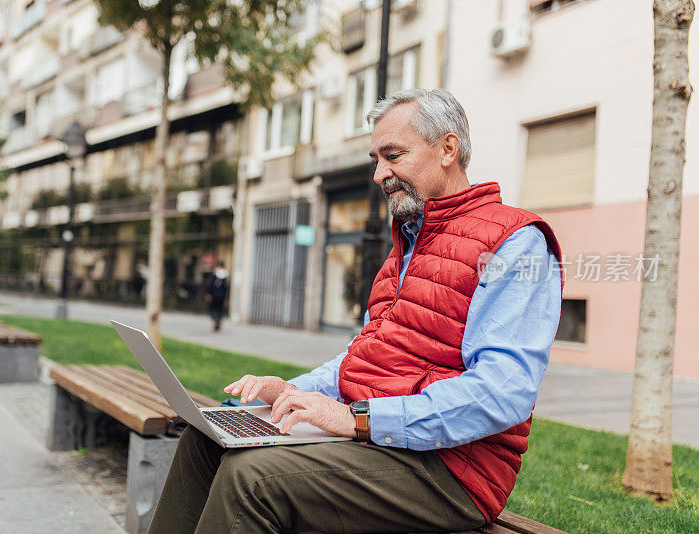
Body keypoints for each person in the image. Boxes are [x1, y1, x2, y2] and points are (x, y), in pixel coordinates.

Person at [147, 89, 563, 533]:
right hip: (380, 443)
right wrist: (287, 392)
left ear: (447, 149)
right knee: (204, 441)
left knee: (252, 479)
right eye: (376, 158)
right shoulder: (407, 244)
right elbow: (363, 359)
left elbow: (504, 392)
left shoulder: (517, 241)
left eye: (393, 155)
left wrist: (357, 419)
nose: (380, 173)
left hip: (450, 471)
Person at [205, 260, 229, 332]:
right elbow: (227, 288)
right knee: (220, 310)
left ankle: (216, 320)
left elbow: (210, 285)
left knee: (213, 309)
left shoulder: (215, 274)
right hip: (221, 296)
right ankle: (217, 320)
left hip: (215, 296)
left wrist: (209, 293)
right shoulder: (226, 275)